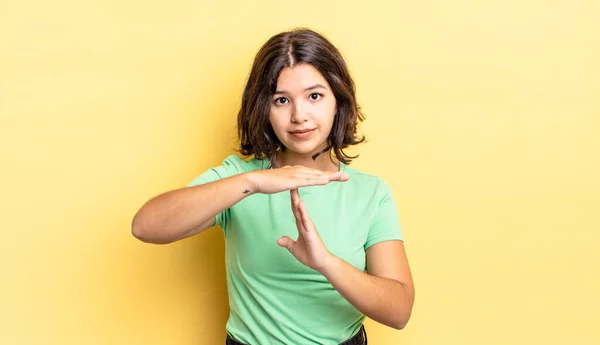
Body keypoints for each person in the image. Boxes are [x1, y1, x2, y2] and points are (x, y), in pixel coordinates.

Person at [132, 28, 415, 345]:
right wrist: (253, 181)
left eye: (314, 96)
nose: (299, 115)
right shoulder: (239, 178)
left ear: (339, 100)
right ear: (264, 109)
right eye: (281, 100)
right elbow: (146, 226)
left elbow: (399, 311)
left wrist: (326, 262)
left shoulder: (371, 193)